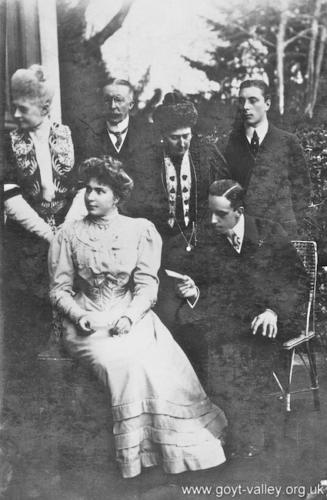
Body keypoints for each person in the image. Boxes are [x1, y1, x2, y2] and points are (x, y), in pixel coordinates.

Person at [48, 157, 227, 478]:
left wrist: (130, 317)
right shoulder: (68, 235)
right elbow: (59, 290)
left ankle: (169, 453)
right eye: (87, 190)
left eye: (99, 191)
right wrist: (78, 315)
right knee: (124, 364)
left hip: (134, 315)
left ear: (117, 196)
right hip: (87, 320)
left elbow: (147, 287)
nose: (90, 197)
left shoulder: (140, 230)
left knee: (159, 363)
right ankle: (135, 459)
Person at [175, 179, 309, 457]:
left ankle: (251, 433)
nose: (212, 221)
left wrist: (274, 311)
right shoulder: (211, 241)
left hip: (273, 320)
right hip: (232, 320)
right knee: (199, 342)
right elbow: (205, 285)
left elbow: (297, 280)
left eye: (221, 214)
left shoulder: (269, 233)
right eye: (210, 212)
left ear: (240, 211)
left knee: (243, 350)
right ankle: (219, 428)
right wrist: (193, 290)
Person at [3, 64, 86, 356]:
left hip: (71, 235)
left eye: (22, 109)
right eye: (14, 108)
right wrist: (48, 235)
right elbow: (9, 195)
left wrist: (64, 231)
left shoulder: (72, 135)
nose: (15, 115)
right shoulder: (6, 142)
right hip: (26, 243)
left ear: (45, 106)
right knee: (29, 318)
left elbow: (85, 187)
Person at [126, 91, 226, 329]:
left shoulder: (206, 154)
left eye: (186, 136)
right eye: (174, 138)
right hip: (160, 246)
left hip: (199, 241)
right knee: (166, 310)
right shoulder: (146, 160)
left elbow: (224, 195)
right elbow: (136, 205)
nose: (182, 143)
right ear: (162, 136)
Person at [219, 79, 311, 237]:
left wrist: (291, 223)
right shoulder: (226, 145)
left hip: (282, 233)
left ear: (267, 104)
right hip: (242, 233)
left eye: (253, 100)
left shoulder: (288, 141)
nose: (246, 107)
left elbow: (302, 189)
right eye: (242, 101)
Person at [82, 78, 155, 164]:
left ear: (131, 104)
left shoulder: (148, 132)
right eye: (107, 100)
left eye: (118, 100)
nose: (112, 106)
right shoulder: (89, 133)